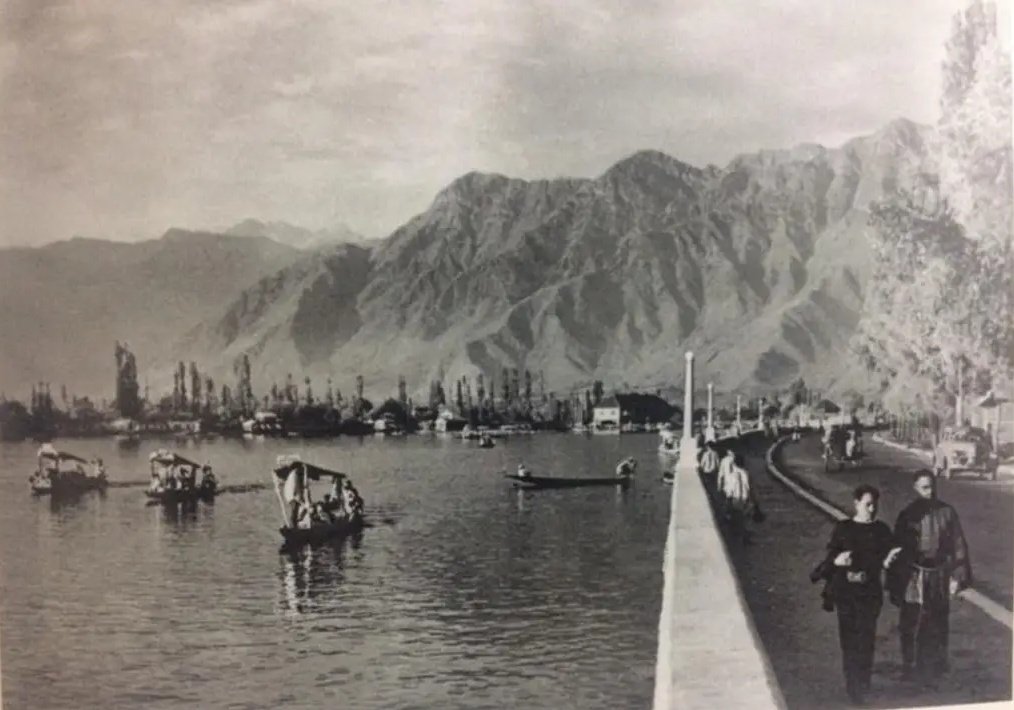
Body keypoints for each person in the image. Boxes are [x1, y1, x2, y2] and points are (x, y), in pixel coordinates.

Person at [818, 485, 901, 704]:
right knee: (849, 640)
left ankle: (863, 683)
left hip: (869, 595)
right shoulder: (843, 528)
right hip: (846, 594)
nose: (872, 509)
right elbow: (831, 557)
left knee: (866, 640)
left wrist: (889, 561)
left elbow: (891, 560)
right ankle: (852, 685)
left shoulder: (882, 530)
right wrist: (837, 561)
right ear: (856, 504)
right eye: (867, 504)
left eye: (875, 504)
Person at [889, 470, 972, 682]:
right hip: (914, 575)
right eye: (925, 487)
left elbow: (958, 546)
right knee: (911, 621)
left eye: (932, 486)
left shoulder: (947, 512)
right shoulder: (908, 516)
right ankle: (910, 666)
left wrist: (957, 576)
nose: (930, 491)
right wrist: (896, 582)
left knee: (937, 621)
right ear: (916, 489)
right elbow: (896, 549)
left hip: (938, 576)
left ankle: (937, 668)